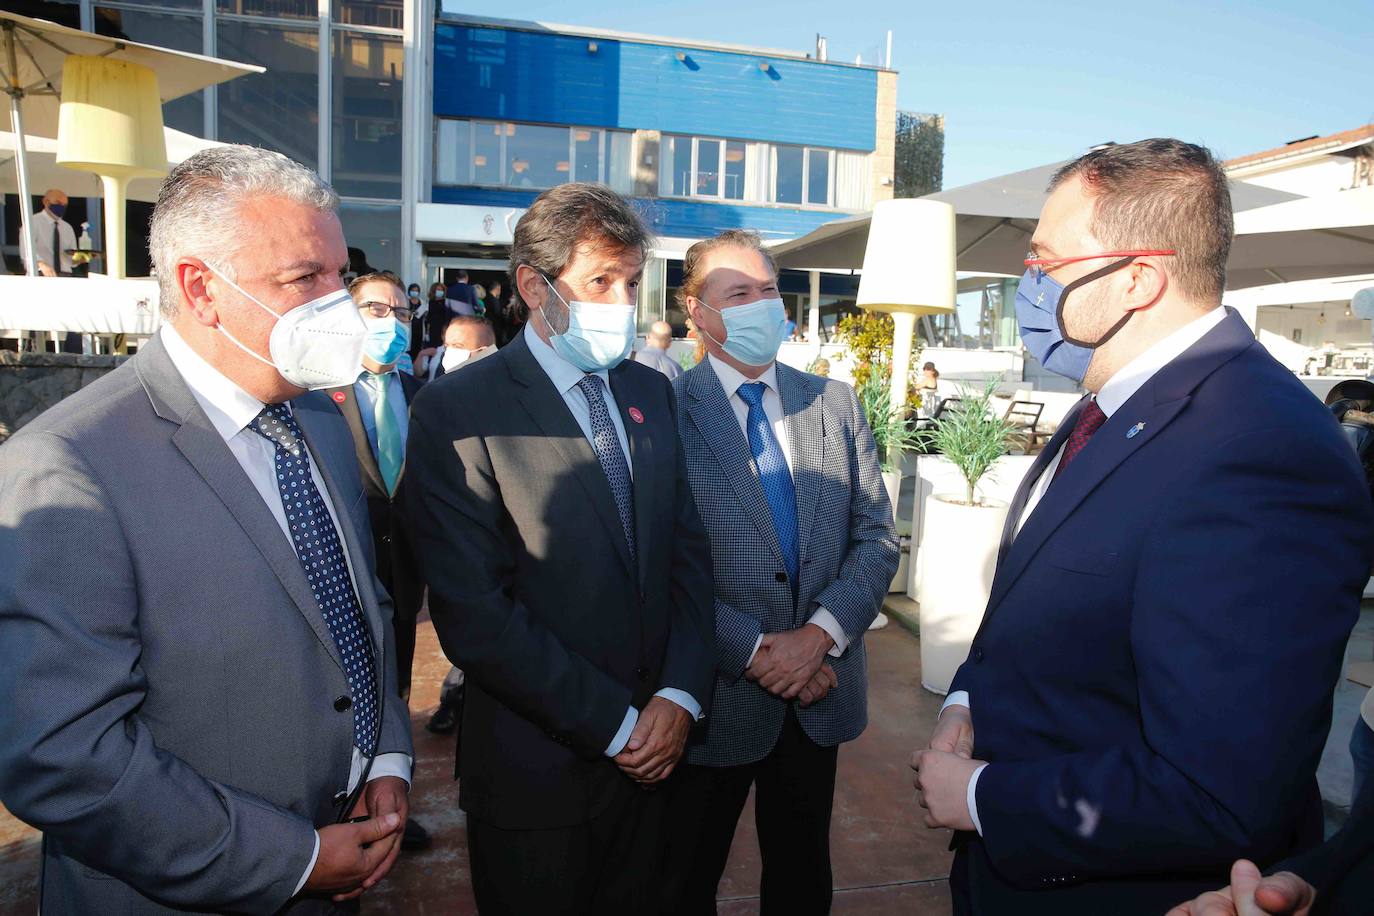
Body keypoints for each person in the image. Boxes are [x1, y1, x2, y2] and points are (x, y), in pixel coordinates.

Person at [910, 138, 1374, 914]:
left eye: (1044, 261)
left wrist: (986, 797)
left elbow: (1220, 787)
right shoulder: (1109, 406)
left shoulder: (1260, 447)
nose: (1028, 285)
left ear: (1137, 278)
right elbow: (1039, 613)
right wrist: (967, 703)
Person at [0, 145, 414, 912]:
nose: (340, 303)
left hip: (341, 865)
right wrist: (292, 859)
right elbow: (64, 756)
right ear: (202, 288)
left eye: (339, 275)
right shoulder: (67, 465)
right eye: (305, 279)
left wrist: (386, 750)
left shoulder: (319, 419)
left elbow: (362, 614)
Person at [405, 182, 716, 915]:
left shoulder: (650, 390)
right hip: (537, 778)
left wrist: (677, 697)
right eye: (599, 281)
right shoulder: (457, 410)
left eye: (632, 282)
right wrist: (618, 726)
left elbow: (686, 557)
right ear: (533, 286)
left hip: (661, 765)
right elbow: (476, 615)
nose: (622, 301)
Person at [663, 230, 898, 914]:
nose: (762, 304)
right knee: (686, 876)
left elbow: (877, 537)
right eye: (739, 293)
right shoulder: (664, 415)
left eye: (769, 289)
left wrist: (819, 636)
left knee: (801, 874)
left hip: (819, 691)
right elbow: (662, 571)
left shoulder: (834, 401)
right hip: (715, 694)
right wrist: (757, 649)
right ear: (695, 311)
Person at [418, 315, 495, 383]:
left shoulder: (499, 388)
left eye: (457, 346)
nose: (449, 351)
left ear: (483, 352)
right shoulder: (442, 376)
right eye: (447, 345)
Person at [24, 188, 76, 278]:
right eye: (58, 203)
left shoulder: (67, 228)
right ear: (46, 202)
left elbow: (71, 260)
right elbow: (26, 253)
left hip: (65, 276)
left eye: (64, 205)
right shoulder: (32, 222)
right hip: (41, 274)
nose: (61, 207)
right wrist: (41, 265)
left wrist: (79, 259)